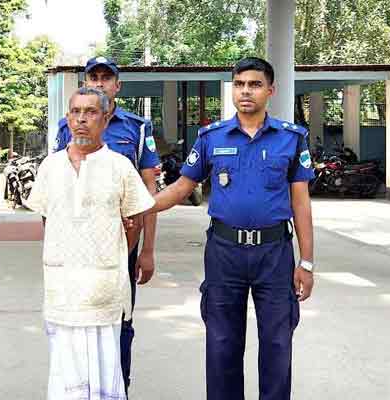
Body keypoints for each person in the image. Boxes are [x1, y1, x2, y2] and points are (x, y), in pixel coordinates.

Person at [149, 57, 315, 400]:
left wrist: (307, 262)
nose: (245, 91)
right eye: (239, 84)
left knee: (277, 343)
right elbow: (182, 187)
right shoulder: (212, 137)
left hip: (274, 253)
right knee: (222, 344)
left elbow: (300, 203)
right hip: (225, 253)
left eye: (254, 84)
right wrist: (140, 206)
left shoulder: (291, 138)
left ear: (270, 90)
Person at [26, 87, 155, 400]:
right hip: (62, 289)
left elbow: (135, 221)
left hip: (104, 291)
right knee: (65, 377)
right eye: (75, 112)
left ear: (106, 118)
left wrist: (114, 247)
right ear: (68, 117)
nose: (81, 119)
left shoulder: (121, 167)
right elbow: (48, 220)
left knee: (104, 375)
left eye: (91, 112)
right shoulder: (50, 167)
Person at [53, 56, 160, 392]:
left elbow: (148, 193)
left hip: (122, 245)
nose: (99, 83)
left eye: (105, 78)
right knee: (74, 320)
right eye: (93, 77)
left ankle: (118, 389)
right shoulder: (66, 126)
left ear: (118, 86)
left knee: (120, 320)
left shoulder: (137, 128)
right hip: (77, 248)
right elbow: (58, 189)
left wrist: (148, 250)